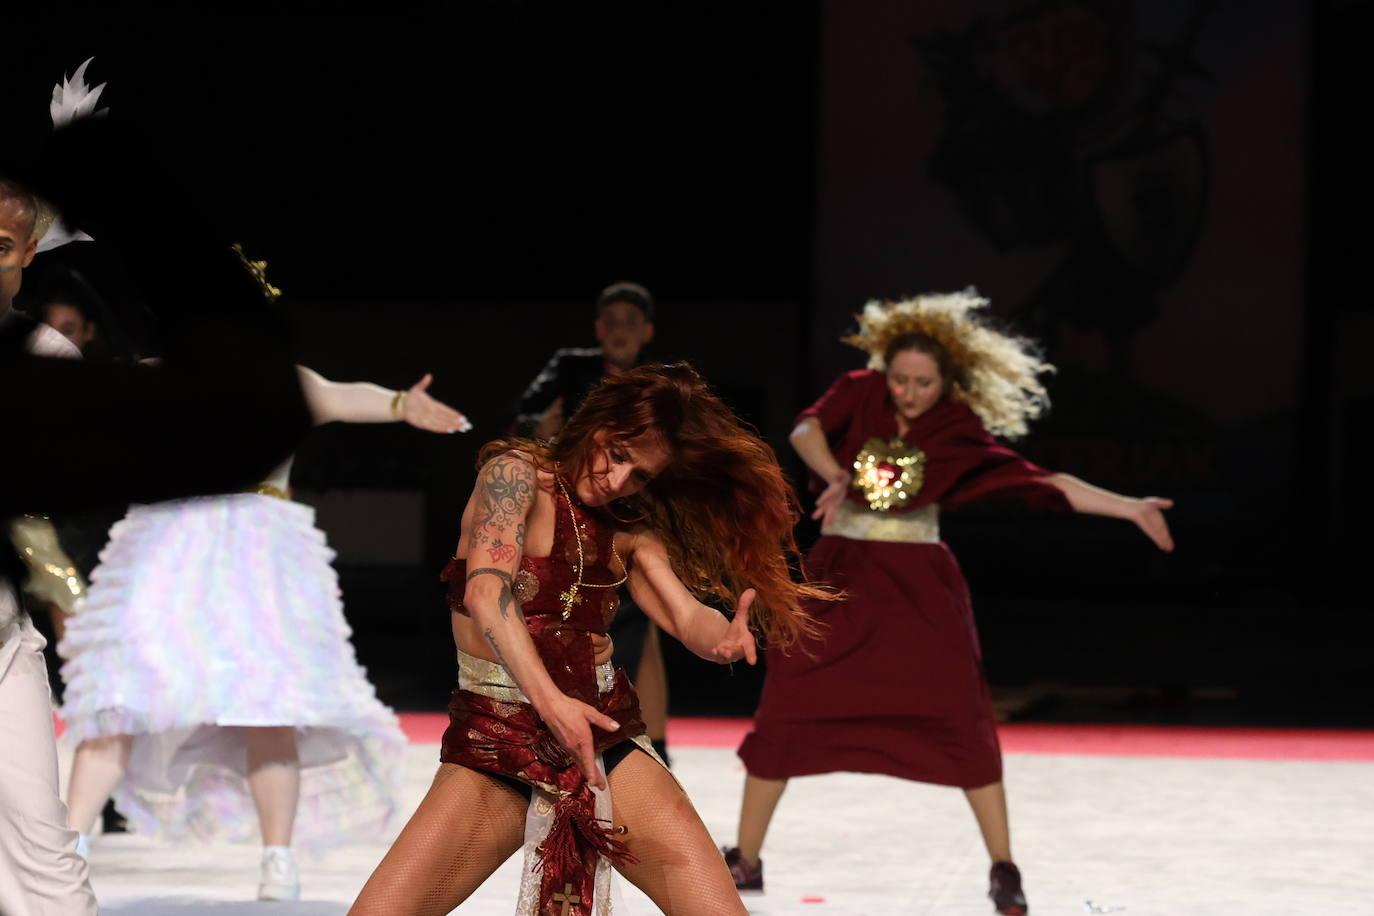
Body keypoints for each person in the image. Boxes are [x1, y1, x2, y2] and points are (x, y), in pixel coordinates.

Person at [725, 292, 1175, 915]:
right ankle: (745, 858)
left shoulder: (957, 428)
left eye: (924, 384)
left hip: (919, 589)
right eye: (902, 379)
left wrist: (1130, 508)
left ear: (947, 382)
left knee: (960, 716)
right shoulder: (860, 390)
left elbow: (1042, 484)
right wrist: (834, 474)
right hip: (840, 575)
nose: (909, 393)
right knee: (788, 704)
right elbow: (805, 429)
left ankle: (1004, 867)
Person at [350, 362, 831, 916]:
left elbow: (683, 614)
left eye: (642, 475)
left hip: (601, 737)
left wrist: (722, 636)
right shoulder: (514, 476)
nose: (620, 479)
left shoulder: (627, 521)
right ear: (598, 422)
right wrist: (552, 704)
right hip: (498, 735)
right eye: (619, 453)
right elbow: (487, 594)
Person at [56, 366, 468, 901]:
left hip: (258, 547)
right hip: (167, 544)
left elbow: (340, 394)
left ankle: (279, 858)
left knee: (269, 706)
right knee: (120, 695)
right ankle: (69, 847)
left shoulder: (275, 374)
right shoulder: (152, 378)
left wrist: (397, 405)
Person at [515, 281, 672, 764]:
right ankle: (545, 719)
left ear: (646, 331)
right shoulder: (570, 366)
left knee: (642, 625)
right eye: (613, 322)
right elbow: (525, 416)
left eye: (631, 323)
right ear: (599, 329)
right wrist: (540, 428)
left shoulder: (660, 382)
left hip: (628, 513)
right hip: (566, 508)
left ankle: (652, 745)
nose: (622, 331)